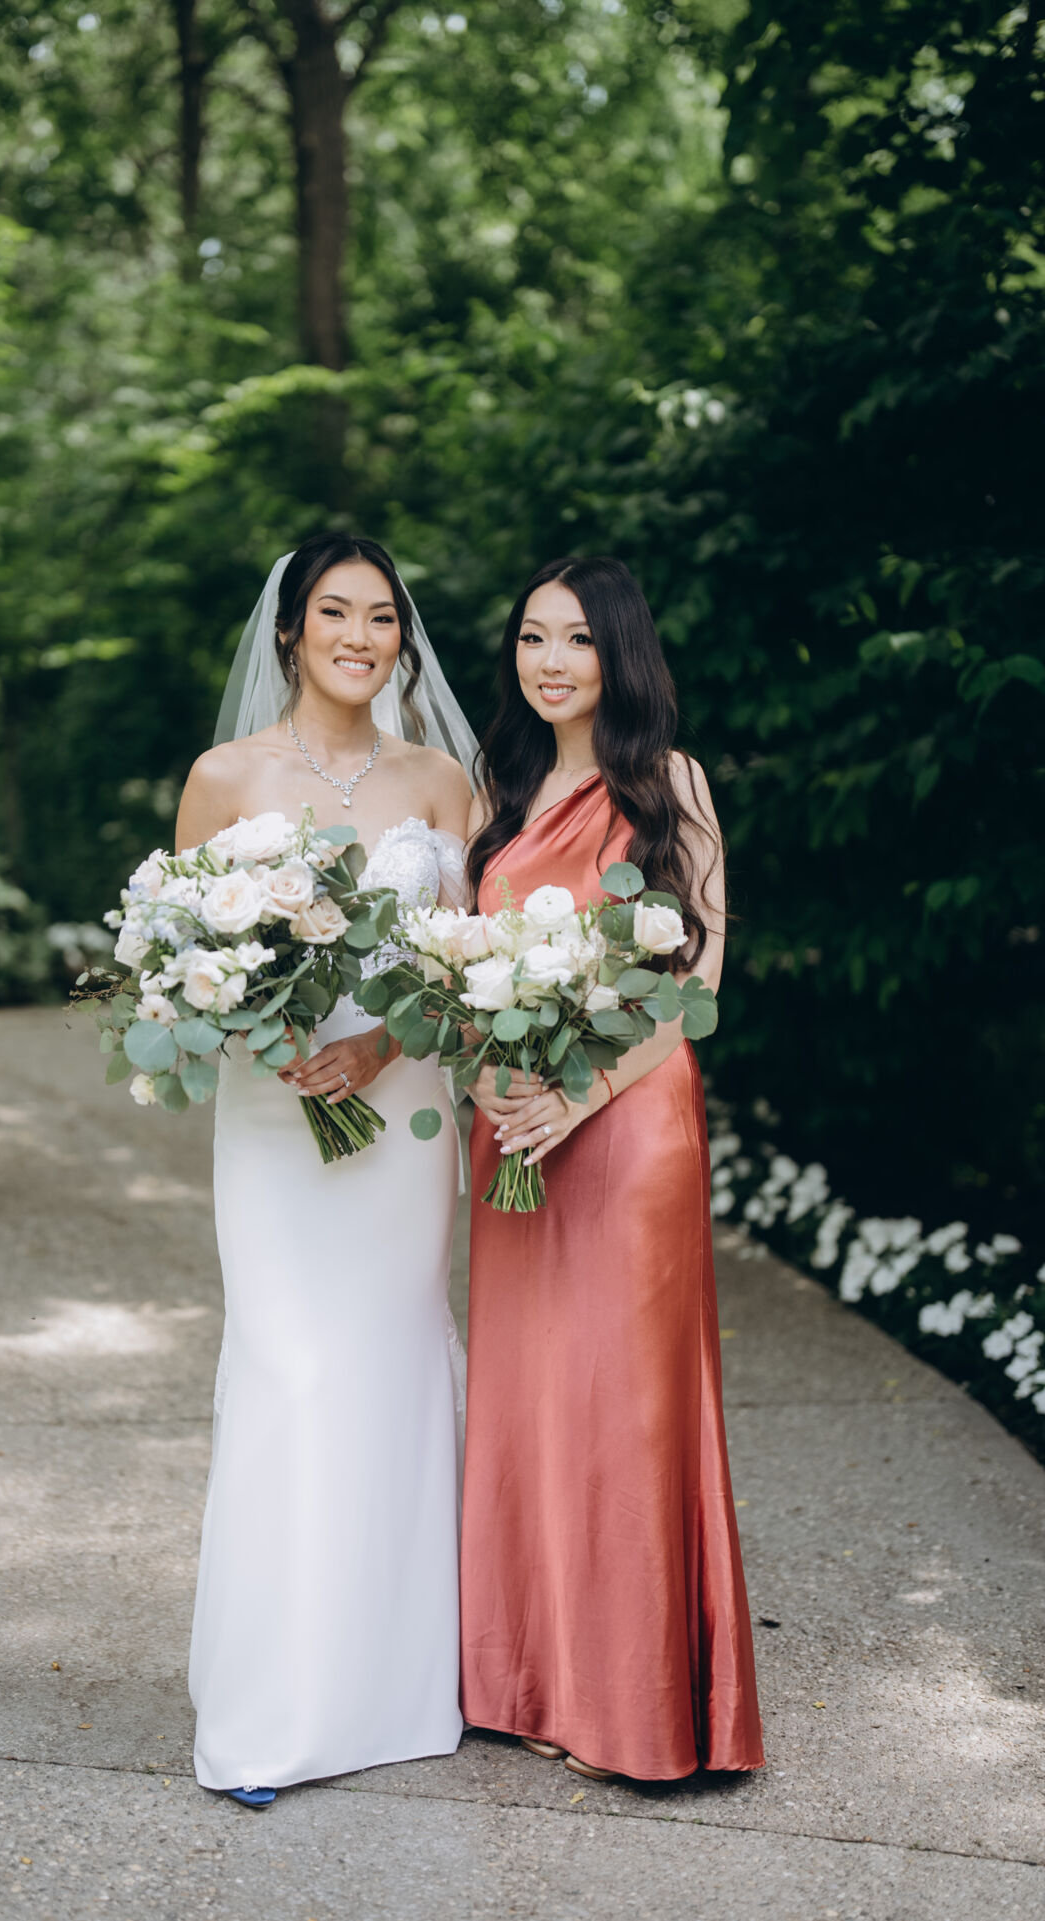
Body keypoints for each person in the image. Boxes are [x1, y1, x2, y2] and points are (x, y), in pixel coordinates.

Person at [178, 534, 477, 1805]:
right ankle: (270, 1711)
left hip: (397, 1115)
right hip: (271, 1117)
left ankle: (394, 1693)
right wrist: (268, 1030)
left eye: (381, 616)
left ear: (400, 637)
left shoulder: (440, 781)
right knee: (287, 1371)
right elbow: (181, 961)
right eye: (334, 613)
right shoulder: (223, 777)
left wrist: (376, 1045)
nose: (360, 636)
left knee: (386, 1372)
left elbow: (464, 970)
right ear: (290, 631)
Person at [460, 555, 764, 1782]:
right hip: (514, 1124)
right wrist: (486, 1079)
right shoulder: (500, 784)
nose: (549, 661)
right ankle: (529, 1679)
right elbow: (461, 966)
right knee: (531, 1394)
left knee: (623, 1397)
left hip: (628, 1119)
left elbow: (698, 974)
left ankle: (634, 1708)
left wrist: (578, 1092)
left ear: (618, 651)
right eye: (532, 636)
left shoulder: (668, 781)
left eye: (577, 638)